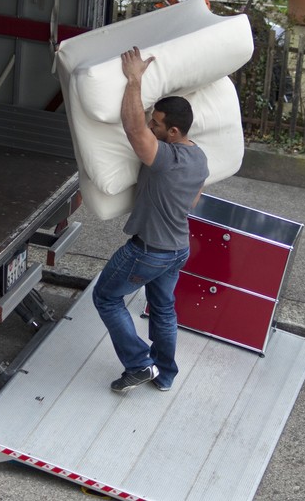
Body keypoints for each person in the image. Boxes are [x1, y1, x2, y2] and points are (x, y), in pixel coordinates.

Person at [93, 46, 208, 394]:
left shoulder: (165, 158)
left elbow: (131, 129)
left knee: (106, 298)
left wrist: (134, 80)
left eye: (155, 124)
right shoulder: (198, 157)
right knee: (163, 309)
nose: (149, 124)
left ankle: (139, 364)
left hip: (149, 251)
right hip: (178, 248)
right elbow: (194, 200)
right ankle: (166, 374)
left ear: (173, 132)